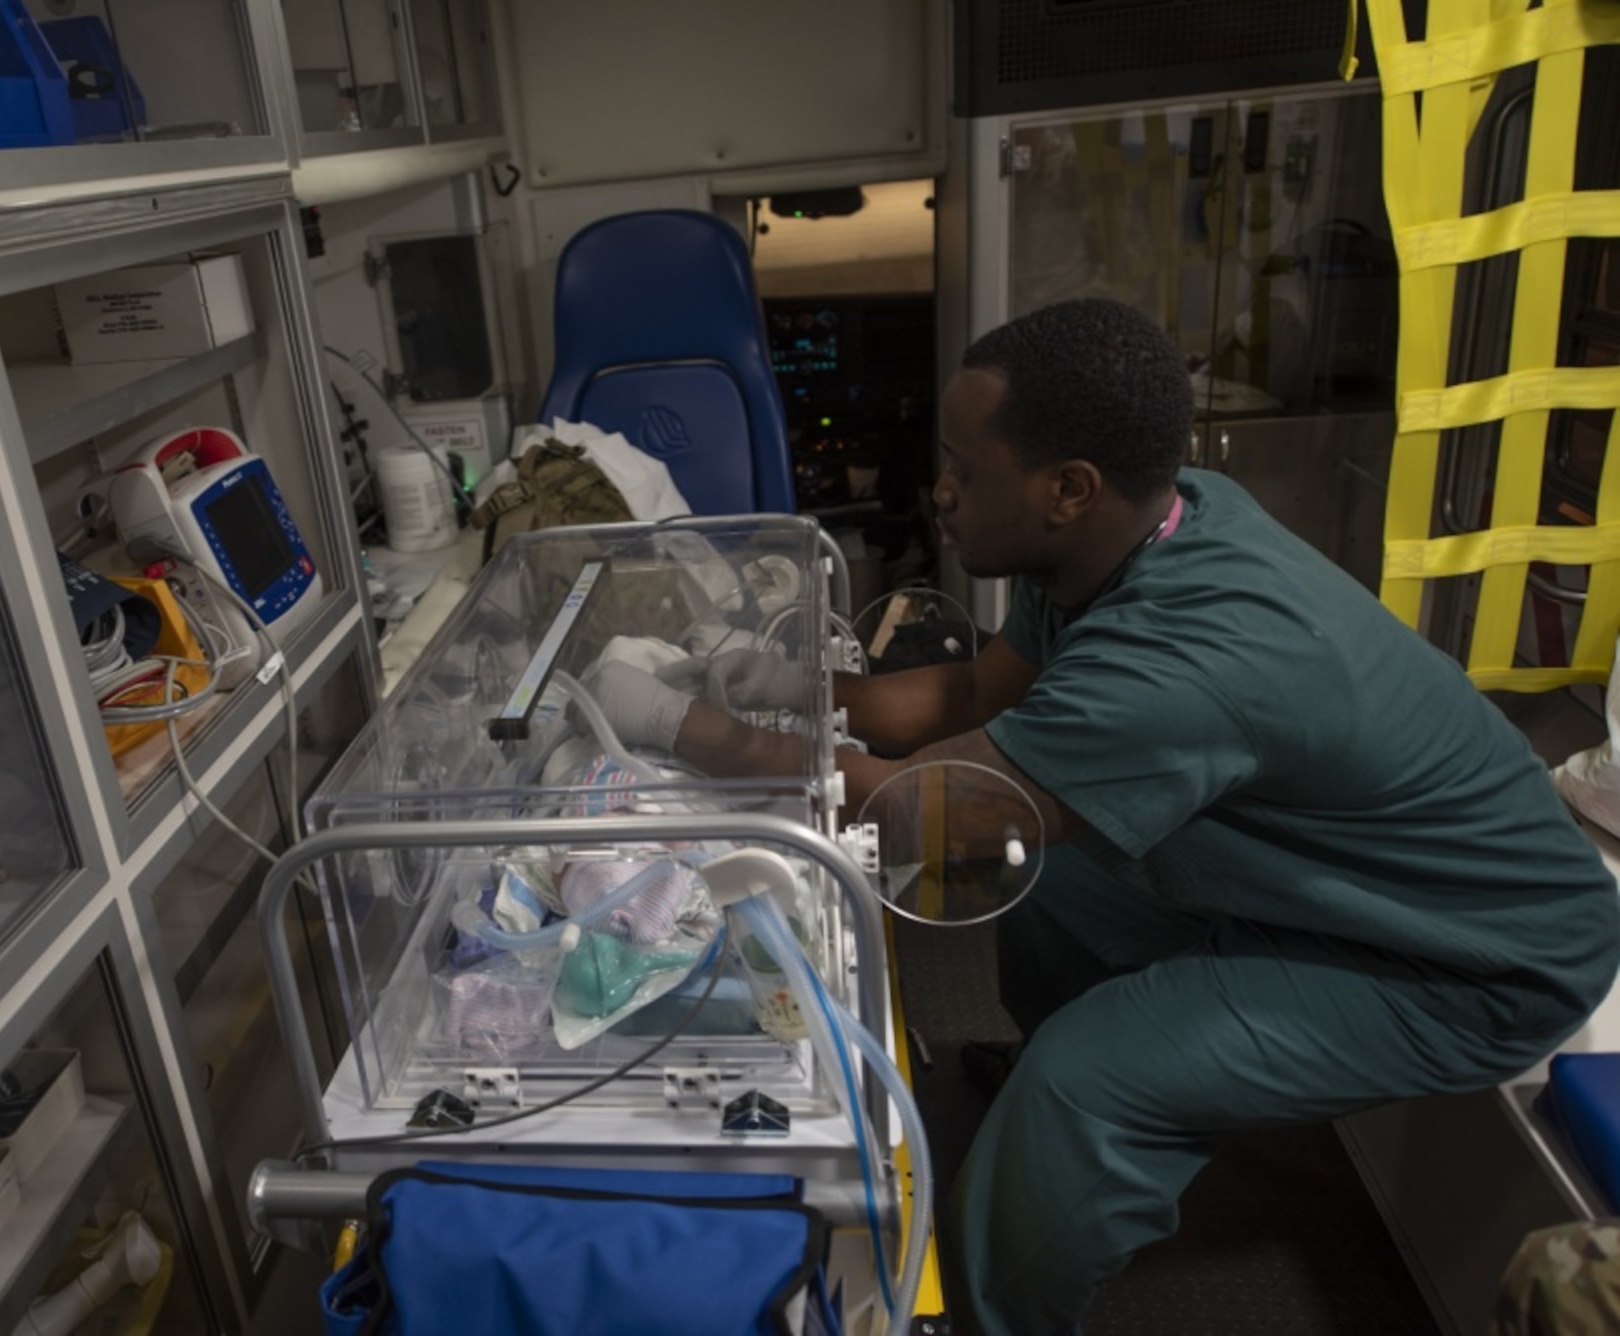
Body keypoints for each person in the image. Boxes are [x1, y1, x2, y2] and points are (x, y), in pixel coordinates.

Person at [585, 296, 1620, 1334]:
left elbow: (926, 811)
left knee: (1089, 1081)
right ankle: (1047, 1079)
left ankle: (991, 1306)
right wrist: (776, 678)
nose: (937, 491)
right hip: (1369, 881)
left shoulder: (1181, 658)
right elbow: (961, 699)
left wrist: (688, 728)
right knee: (1049, 886)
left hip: (1478, 960)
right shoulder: (1139, 528)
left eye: (962, 466)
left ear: (1067, 489)